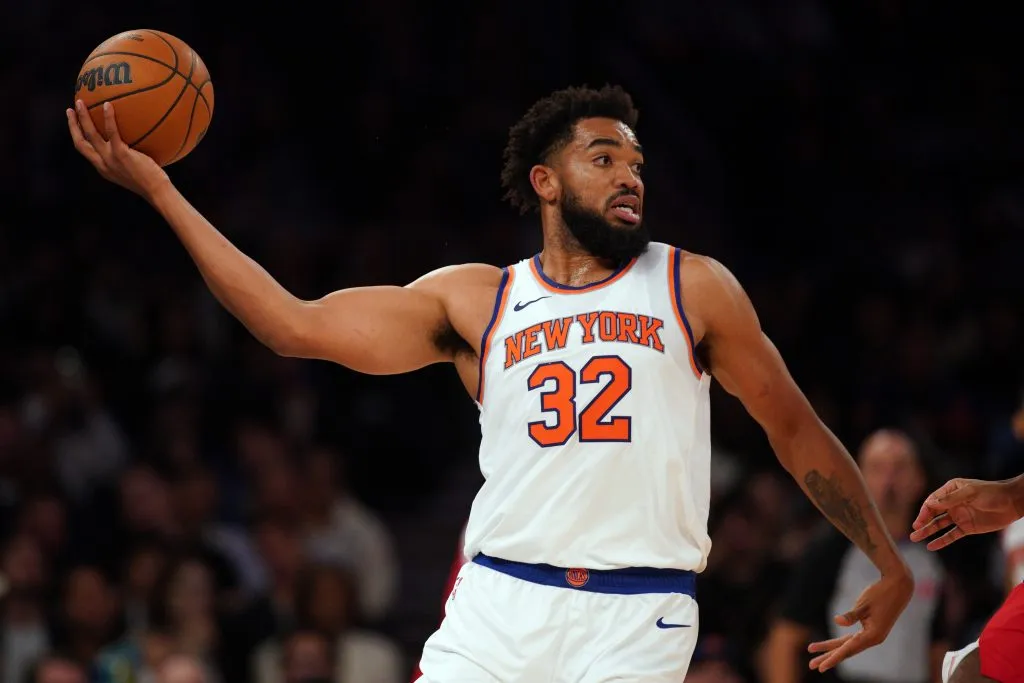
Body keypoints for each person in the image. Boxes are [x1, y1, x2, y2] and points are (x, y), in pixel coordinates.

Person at [67, 84, 914, 681]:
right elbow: (291, 323)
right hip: (498, 603)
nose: (630, 175)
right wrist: (161, 190)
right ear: (545, 182)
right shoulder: (478, 298)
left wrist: (885, 556)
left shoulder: (693, 284)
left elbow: (795, 429)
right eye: (603, 156)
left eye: (638, 161)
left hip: (637, 608)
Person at [763, 429, 948, 683]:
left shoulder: (933, 555)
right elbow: (785, 636)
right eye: (877, 468)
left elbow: (937, 646)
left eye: (900, 468)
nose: (889, 480)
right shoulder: (831, 548)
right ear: (859, 479)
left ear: (919, 479)